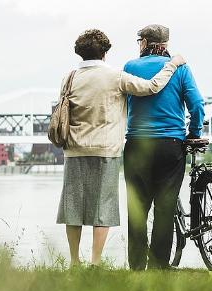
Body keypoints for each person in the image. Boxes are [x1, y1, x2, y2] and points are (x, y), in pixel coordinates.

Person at [56, 29, 186, 266]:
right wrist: (173, 64)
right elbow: (152, 87)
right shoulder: (115, 77)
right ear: (105, 53)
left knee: (73, 208)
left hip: (74, 149)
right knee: (102, 208)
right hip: (106, 150)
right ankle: (95, 263)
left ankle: (75, 262)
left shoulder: (69, 77)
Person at [123, 24, 205, 270]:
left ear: (145, 42)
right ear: (165, 45)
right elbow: (197, 105)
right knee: (165, 206)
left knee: (137, 207)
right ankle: (159, 265)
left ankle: (136, 266)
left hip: (137, 144)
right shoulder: (181, 69)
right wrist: (194, 133)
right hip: (170, 146)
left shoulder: (129, 67)